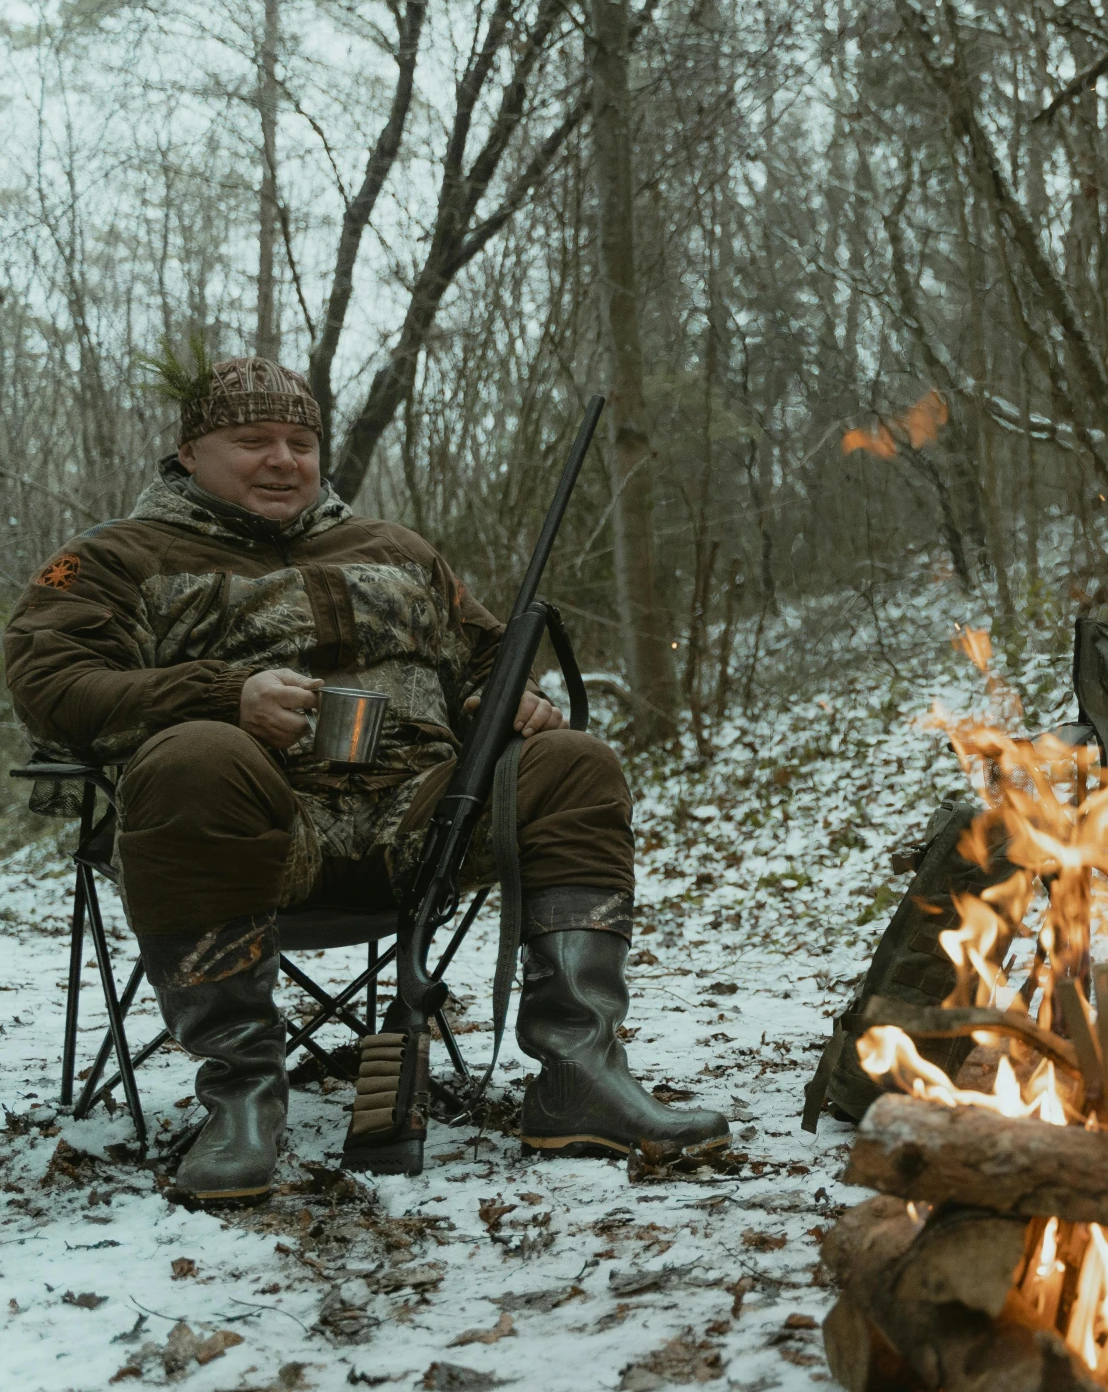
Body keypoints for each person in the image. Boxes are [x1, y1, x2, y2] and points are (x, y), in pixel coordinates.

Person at [5, 355, 727, 1204]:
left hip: (423, 824)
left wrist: (507, 700)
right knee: (196, 756)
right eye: (253, 440)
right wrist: (222, 697)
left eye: (301, 442)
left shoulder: (396, 549)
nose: (284, 459)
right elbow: (52, 685)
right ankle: (242, 1096)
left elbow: (491, 652)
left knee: (575, 762)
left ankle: (579, 1071)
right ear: (190, 450)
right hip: (250, 838)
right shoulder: (112, 559)